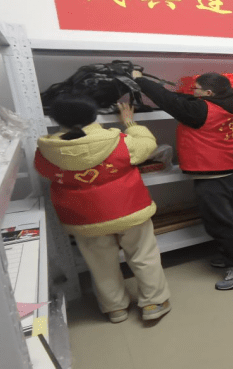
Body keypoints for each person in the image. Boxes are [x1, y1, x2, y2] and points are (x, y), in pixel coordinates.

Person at [34, 95, 171, 323]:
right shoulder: (118, 141)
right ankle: (154, 303)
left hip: (83, 218)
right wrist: (130, 122)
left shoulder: (47, 151)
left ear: (56, 119)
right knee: (143, 255)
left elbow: (43, 171)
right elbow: (148, 145)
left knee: (100, 263)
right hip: (128, 209)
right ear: (94, 116)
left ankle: (115, 308)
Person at [133, 71, 233, 290]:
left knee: (220, 224)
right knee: (230, 218)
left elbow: (167, 100)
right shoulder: (229, 102)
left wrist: (139, 79)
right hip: (231, 170)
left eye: (195, 89)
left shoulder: (201, 110)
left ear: (208, 93)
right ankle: (232, 257)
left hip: (214, 175)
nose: (193, 92)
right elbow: (181, 99)